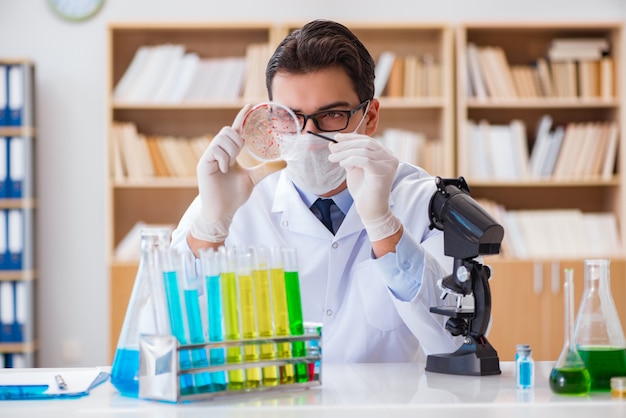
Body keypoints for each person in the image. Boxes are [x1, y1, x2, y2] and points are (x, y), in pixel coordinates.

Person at [171, 19, 462, 363]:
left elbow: (453, 344)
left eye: (332, 114)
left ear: (369, 118)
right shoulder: (226, 200)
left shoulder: (425, 202)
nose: (308, 137)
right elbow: (163, 337)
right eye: (290, 117)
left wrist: (383, 225)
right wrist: (211, 228)